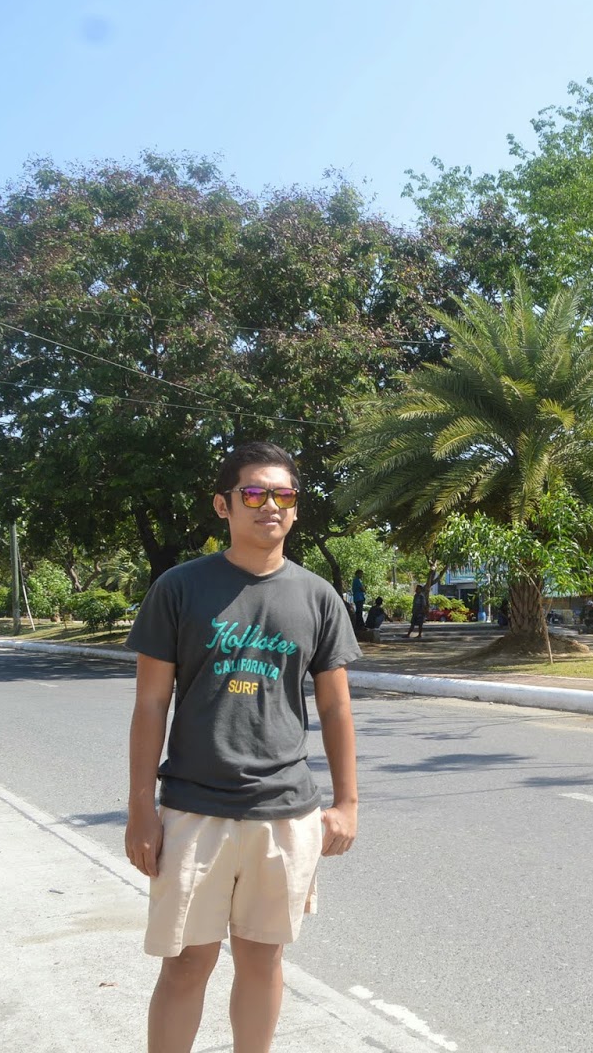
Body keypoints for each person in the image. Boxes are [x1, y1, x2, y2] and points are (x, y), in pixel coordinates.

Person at [124, 442, 361, 1053]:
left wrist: (348, 803)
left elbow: (335, 706)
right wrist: (141, 809)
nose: (269, 507)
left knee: (263, 962)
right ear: (223, 505)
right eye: (254, 494)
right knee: (185, 965)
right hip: (193, 810)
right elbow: (151, 703)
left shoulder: (317, 597)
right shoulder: (180, 589)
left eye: (283, 495)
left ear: (296, 509)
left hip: (285, 811)